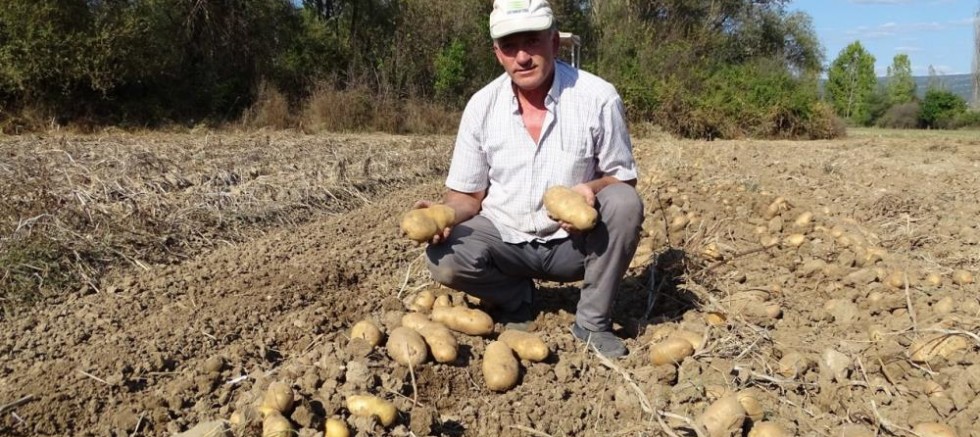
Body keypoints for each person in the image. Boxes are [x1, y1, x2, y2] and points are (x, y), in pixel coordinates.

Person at [412, 0, 643, 358]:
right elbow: (468, 196)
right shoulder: (481, 106)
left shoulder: (598, 97)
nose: (522, 57)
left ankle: (592, 322)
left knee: (625, 204)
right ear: (497, 54)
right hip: (506, 241)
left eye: (532, 41)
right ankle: (517, 297)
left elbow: (622, 180)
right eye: (509, 46)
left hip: (574, 245)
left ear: (554, 42)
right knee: (444, 257)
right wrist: (443, 215)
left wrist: (591, 190)